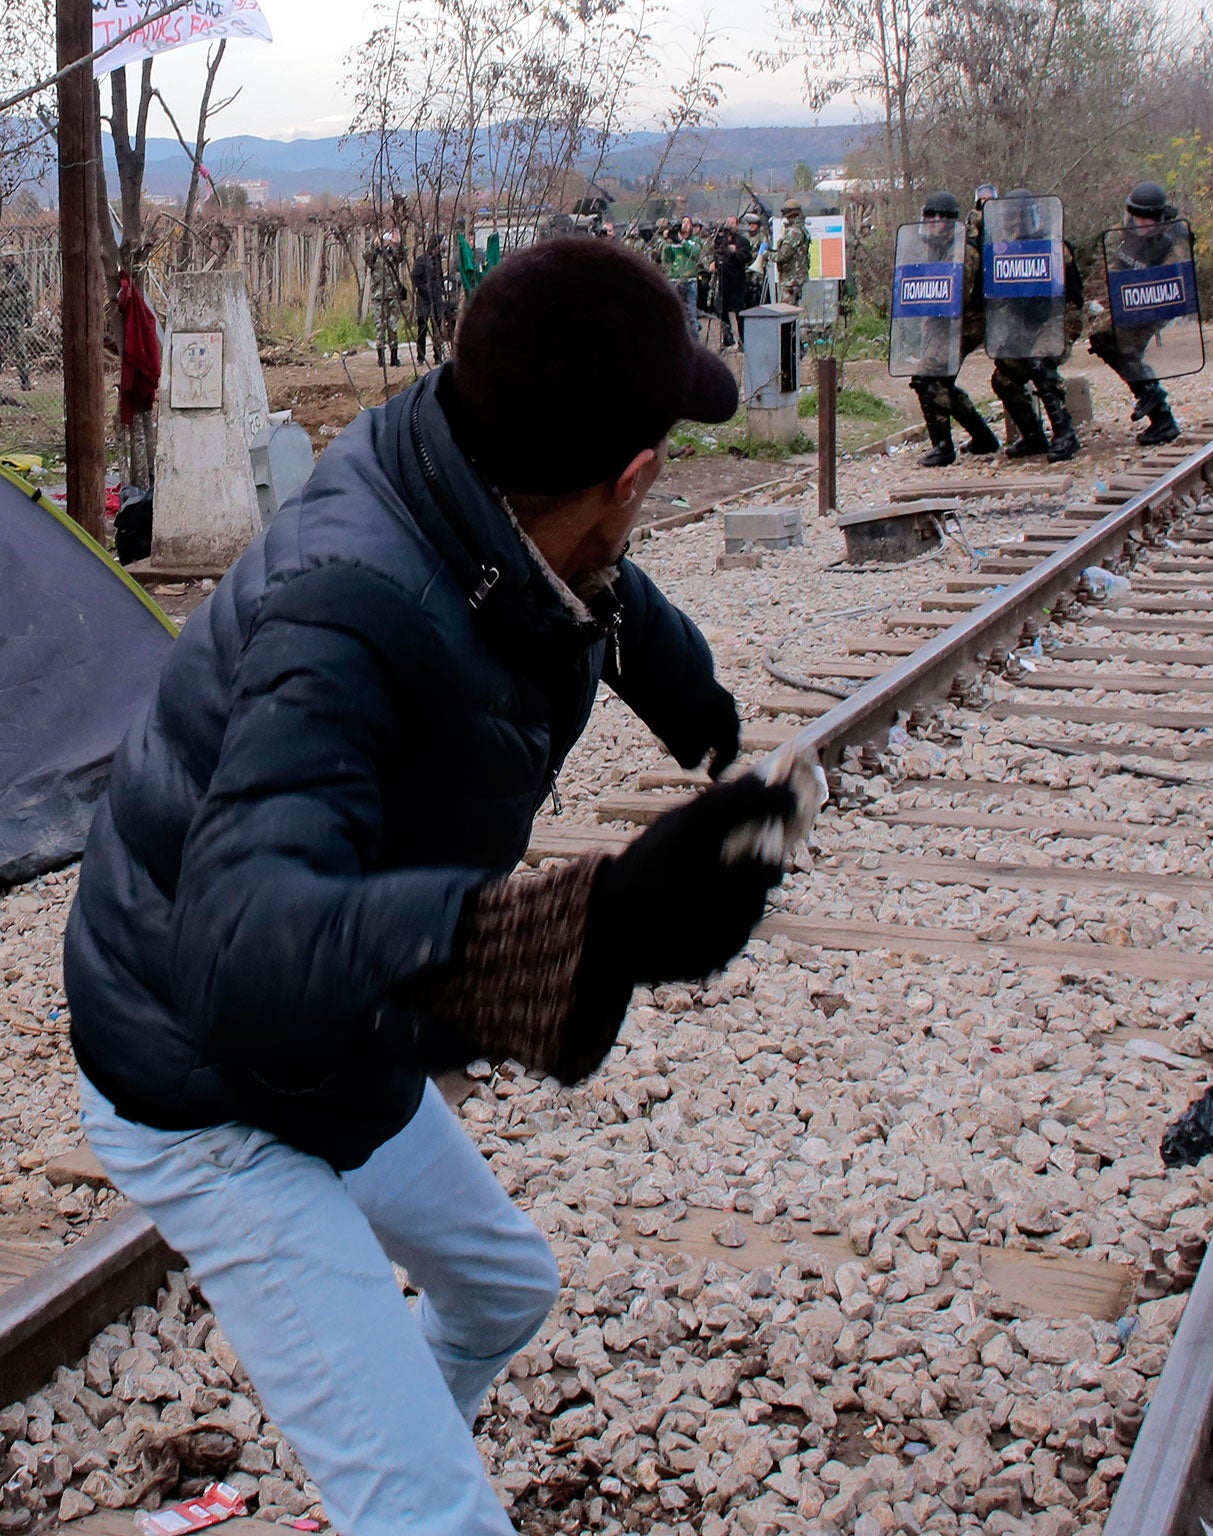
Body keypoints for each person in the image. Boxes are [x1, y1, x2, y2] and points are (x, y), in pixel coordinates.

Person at [63, 237, 817, 1536]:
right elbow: (240, 943)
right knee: (435, 1517)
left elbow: (593, 588)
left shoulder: (473, 487)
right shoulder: (347, 609)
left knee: (503, 1292)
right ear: (633, 473)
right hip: (205, 1077)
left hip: (332, 1035)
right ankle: (405, 1498)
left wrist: (696, 705)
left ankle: (387, 1475)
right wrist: (602, 921)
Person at [985, 189, 1086, 462]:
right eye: (1010, 219)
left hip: (1061, 317)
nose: (1013, 224)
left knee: (1040, 362)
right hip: (1027, 322)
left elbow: (1073, 298)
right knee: (1004, 376)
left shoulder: (1054, 246)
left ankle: (1065, 434)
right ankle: (1033, 436)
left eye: (1018, 218)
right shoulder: (1005, 251)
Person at [1085, 180, 1186, 446]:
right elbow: (1118, 264)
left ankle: (1159, 410)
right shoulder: (1127, 231)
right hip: (1129, 301)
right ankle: (1154, 403)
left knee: (1125, 348)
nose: (1141, 225)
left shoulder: (1174, 240)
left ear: (1159, 218)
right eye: (1137, 218)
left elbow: (1176, 282)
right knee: (1102, 340)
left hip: (1156, 303)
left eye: (1147, 220)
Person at [905, 190, 1000, 467]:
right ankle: (983, 437)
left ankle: (943, 446)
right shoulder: (935, 246)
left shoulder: (964, 250)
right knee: (938, 380)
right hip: (942, 321)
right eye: (928, 216)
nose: (932, 222)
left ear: (950, 220)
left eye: (938, 217)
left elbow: (960, 297)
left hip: (967, 322)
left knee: (929, 376)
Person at [366, 229, 409, 368]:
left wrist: (398, 244)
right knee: (380, 327)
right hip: (379, 296)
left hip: (393, 295)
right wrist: (374, 245)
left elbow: (402, 256)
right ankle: (380, 358)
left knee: (393, 326)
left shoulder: (393, 253)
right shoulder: (374, 255)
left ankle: (394, 357)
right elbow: (365, 256)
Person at [410, 233, 452, 367]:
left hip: (437, 300)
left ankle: (438, 355)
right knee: (422, 329)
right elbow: (415, 277)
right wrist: (425, 289)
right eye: (441, 244)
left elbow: (440, 279)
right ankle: (420, 357)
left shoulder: (438, 260)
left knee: (437, 329)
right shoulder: (422, 260)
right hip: (424, 300)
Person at [711, 216, 753, 350]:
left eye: (732, 223)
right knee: (721, 310)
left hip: (737, 281)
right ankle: (727, 337)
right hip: (723, 280)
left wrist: (736, 252)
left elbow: (747, 258)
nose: (729, 225)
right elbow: (715, 256)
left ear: (737, 225)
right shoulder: (719, 241)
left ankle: (743, 341)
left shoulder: (742, 241)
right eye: (728, 222)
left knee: (739, 312)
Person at [662, 216, 706, 343]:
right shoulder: (674, 242)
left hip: (690, 280)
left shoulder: (695, 240)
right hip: (675, 279)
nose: (685, 225)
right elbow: (667, 258)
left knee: (691, 314)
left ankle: (694, 343)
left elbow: (695, 253)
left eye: (688, 222)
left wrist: (682, 241)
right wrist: (668, 241)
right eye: (683, 222)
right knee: (674, 313)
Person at [0, 254, 33, 392]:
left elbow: (28, 294)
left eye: (12, 256)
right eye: (7, 256)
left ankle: (25, 381)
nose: (10, 259)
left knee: (21, 350)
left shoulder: (20, 275)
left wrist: (29, 313)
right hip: (2, 318)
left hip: (16, 318)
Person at [772, 198, 811, 308]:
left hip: (791, 280)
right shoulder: (800, 229)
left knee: (786, 312)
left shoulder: (794, 232)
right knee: (791, 312)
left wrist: (766, 254)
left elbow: (782, 256)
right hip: (794, 278)